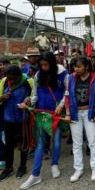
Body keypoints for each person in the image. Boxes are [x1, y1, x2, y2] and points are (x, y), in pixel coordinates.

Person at [20, 52, 68, 189]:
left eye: (46, 64)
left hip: (56, 113)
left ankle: (55, 164)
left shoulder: (63, 73)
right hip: (42, 113)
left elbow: (67, 91)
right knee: (40, 144)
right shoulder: (38, 75)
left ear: (52, 63)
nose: (44, 67)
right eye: (41, 65)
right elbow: (35, 93)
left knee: (57, 140)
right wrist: (29, 103)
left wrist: (61, 105)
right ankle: (35, 175)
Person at [65, 57, 95, 182]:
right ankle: (78, 169)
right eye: (75, 67)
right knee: (77, 143)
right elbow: (67, 96)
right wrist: (68, 113)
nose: (76, 69)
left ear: (86, 67)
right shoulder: (71, 78)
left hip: (90, 112)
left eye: (79, 66)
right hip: (75, 112)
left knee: (93, 142)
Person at [0, 65, 33, 181]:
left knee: (23, 143)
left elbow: (33, 96)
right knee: (9, 144)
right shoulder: (4, 82)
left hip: (23, 118)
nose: (12, 81)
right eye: (10, 78)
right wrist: (2, 98)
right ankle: (8, 168)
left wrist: (27, 100)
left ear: (19, 76)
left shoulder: (28, 81)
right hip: (8, 118)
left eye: (14, 78)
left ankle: (22, 166)